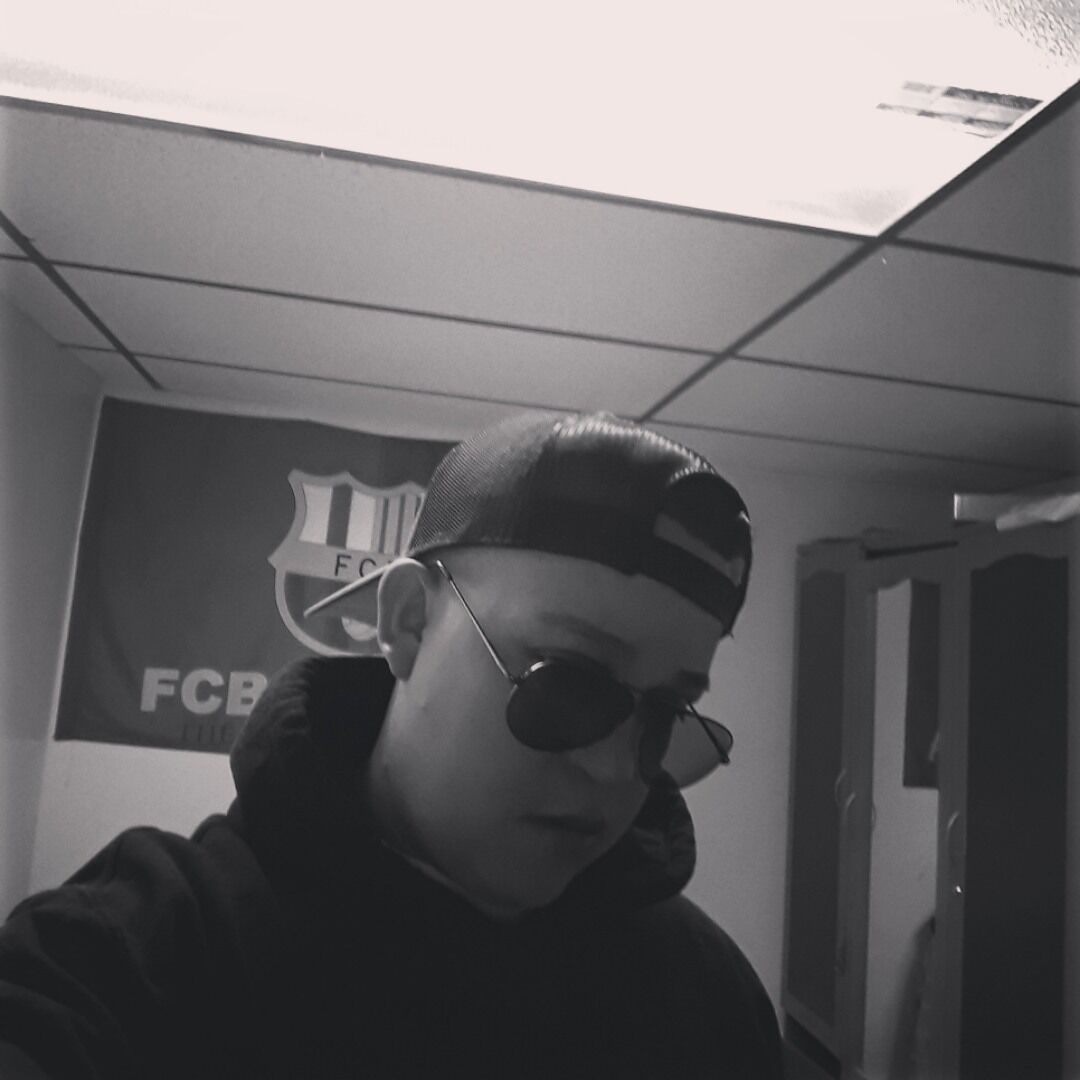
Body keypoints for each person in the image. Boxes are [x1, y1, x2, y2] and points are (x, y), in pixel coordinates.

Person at [0, 410, 783, 1078]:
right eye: (569, 683)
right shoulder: (135, 955)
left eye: (665, 713)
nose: (614, 769)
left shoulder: (711, 1000)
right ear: (410, 622)